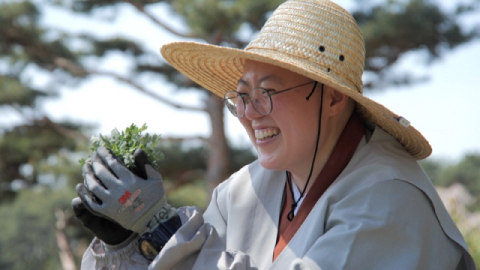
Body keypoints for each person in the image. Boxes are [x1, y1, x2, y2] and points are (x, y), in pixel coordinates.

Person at [72, 0, 477, 269]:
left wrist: (161, 229)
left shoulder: (390, 197)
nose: (249, 113)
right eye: (242, 95)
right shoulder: (242, 191)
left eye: (267, 93)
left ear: (333, 97)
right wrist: (127, 245)